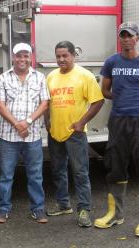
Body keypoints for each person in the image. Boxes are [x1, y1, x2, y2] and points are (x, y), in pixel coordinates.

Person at [45, 41, 104, 227]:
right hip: (55, 133)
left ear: (73, 55)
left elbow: (98, 101)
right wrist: (47, 121)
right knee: (58, 171)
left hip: (75, 134)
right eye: (58, 56)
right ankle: (63, 205)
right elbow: (47, 101)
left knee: (80, 173)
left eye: (65, 55)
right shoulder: (51, 76)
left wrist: (82, 122)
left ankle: (84, 210)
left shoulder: (84, 75)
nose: (61, 59)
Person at [0, 43, 50, 224]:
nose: (22, 59)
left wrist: (27, 122)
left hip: (32, 135)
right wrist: (17, 125)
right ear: (13, 57)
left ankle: (38, 209)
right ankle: (3, 209)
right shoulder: (3, 78)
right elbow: (0, 105)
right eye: (19, 56)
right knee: (6, 175)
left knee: (35, 175)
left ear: (30, 57)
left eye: (26, 56)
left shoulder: (40, 78)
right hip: (8, 136)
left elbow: (44, 103)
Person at [94, 22, 139, 236]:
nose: (126, 39)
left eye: (130, 35)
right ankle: (115, 214)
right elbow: (105, 91)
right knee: (115, 166)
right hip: (118, 120)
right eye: (123, 35)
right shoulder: (112, 61)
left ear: (137, 38)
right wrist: (123, 101)